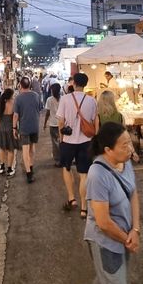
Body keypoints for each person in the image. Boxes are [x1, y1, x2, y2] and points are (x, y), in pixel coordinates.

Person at [74, 122, 140, 284]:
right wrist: (127, 239)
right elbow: (102, 222)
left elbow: (132, 192)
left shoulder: (125, 162)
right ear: (108, 150)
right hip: (106, 243)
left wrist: (136, 229)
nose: (130, 147)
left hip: (124, 237)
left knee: (112, 278)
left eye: (129, 142)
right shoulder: (97, 174)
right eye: (124, 145)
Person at [56, 72, 99, 218]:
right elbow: (94, 122)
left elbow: (61, 121)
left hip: (68, 141)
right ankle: (83, 207)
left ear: (73, 83)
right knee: (84, 175)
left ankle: (71, 198)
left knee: (66, 168)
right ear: (85, 84)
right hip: (86, 141)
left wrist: (61, 137)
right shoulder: (92, 100)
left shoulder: (65, 99)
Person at [13, 76, 41, 183]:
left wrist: (14, 127)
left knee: (25, 149)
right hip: (35, 125)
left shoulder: (18, 98)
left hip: (24, 127)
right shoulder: (36, 95)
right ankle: (31, 165)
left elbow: (15, 115)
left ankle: (29, 173)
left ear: (20, 85)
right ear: (30, 85)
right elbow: (39, 108)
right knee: (32, 147)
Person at [0, 88, 19, 177]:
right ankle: (9, 169)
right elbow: (16, 117)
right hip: (10, 127)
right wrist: (15, 128)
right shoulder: (13, 103)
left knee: (2, 148)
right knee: (10, 149)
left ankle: (1, 167)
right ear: (11, 96)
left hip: (1, 128)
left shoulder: (0, 103)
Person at [43, 83, 63, 165]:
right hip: (62, 123)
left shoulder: (49, 100)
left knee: (55, 143)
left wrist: (45, 123)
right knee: (62, 141)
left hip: (53, 124)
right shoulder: (63, 99)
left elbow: (47, 113)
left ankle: (58, 160)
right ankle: (64, 158)